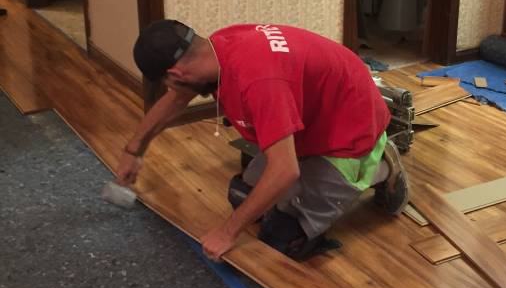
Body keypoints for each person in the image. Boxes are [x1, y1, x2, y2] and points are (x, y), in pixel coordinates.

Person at [116, 20, 409, 262]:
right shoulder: (217, 48)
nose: (173, 90)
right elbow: (178, 97)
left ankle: (381, 164)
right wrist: (135, 149)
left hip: (350, 134)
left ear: (175, 73)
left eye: (167, 83)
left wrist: (227, 232)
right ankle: (314, 169)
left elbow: (285, 171)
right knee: (241, 195)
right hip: (314, 122)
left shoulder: (258, 81)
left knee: (282, 240)